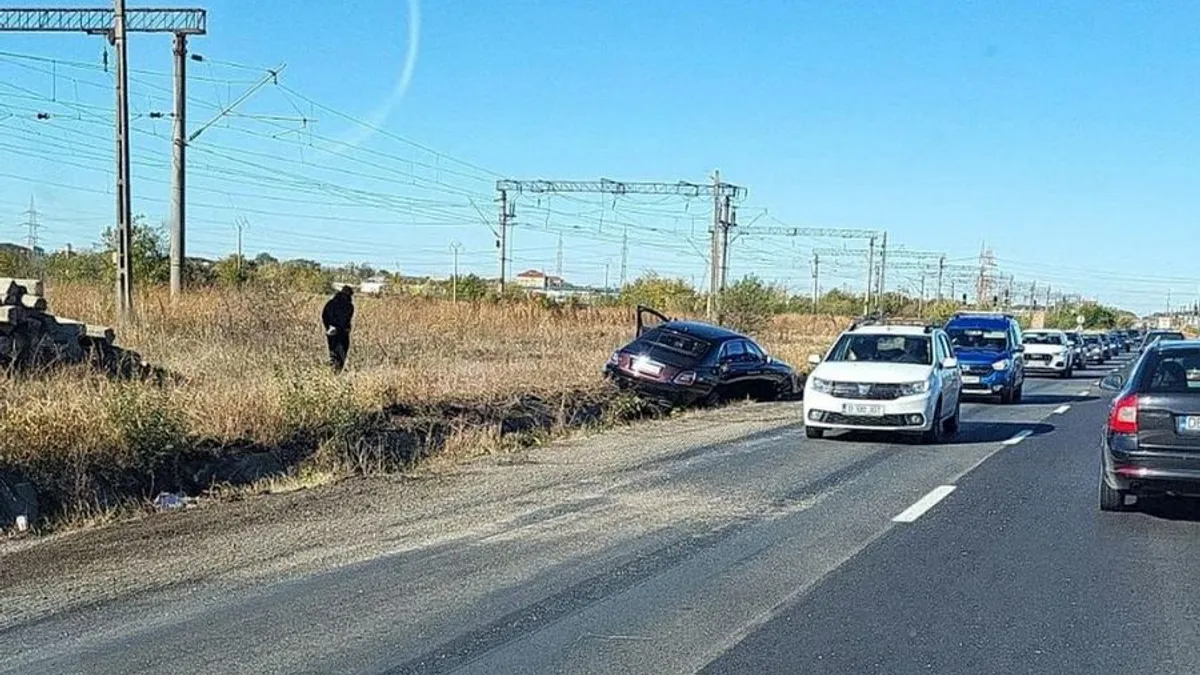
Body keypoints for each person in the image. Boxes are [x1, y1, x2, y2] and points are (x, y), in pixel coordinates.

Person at [321, 285, 355, 373]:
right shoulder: (349, 306)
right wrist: (345, 328)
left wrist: (328, 326)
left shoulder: (330, 303)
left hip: (332, 331)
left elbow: (324, 316)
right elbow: (346, 319)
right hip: (343, 333)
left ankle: (333, 369)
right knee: (342, 353)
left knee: (333, 351)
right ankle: (338, 371)